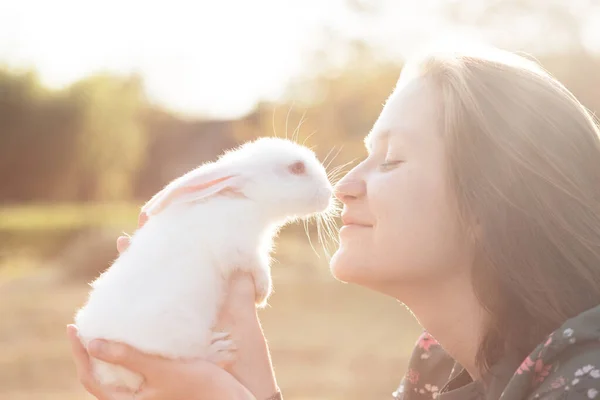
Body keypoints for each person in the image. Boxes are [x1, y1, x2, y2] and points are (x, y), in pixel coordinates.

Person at [67, 43, 600, 400]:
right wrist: (243, 379)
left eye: (391, 160)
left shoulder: (583, 380)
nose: (345, 185)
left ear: (492, 201)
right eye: (364, 155)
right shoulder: (439, 371)